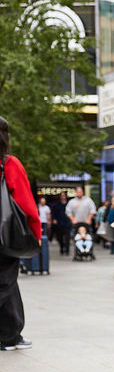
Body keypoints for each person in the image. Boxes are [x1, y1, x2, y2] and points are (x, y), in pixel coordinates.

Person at [0, 116, 40, 351]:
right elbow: (25, 204)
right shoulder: (8, 163)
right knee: (4, 283)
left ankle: (11, 335)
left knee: (9, 285)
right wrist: (34, 234)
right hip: (4, 236)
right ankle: (10, 336)